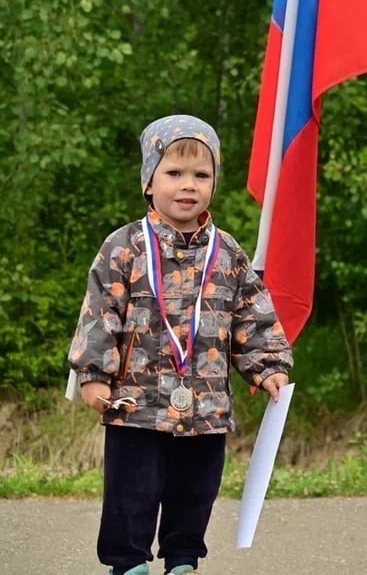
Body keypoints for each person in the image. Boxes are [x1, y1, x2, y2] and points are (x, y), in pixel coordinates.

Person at [68, 114, 293, 575]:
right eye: (174, 173)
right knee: (131, 495)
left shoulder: (228, 253)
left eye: (201, 175)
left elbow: (252, 315)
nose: (187, 185)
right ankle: (128, 564)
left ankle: (183, 562)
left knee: (195, 493)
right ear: (149, 182)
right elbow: (99, 312)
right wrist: (93, 375)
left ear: (213, 183)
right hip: (135, 407)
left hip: (205, 409)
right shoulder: (125, 246)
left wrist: (267, 364)